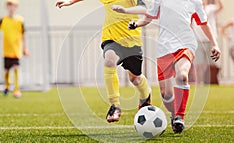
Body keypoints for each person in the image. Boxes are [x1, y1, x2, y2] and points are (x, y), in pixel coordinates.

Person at [112, 0, 221, 133]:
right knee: (166, 94)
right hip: (164, 47)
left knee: (182, 76)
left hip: (186, 43)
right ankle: (174, 113)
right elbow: (149, 17)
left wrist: (215, 44)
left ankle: (179, 117)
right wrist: (137, 24)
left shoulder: (195, 1)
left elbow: (204, 23)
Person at [55, 0, 152, 123]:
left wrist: (133, 17)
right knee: (109, 61)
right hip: (111, 38)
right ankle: (115, 106)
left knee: (135, 78)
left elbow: (143, 8)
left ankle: (146, 95)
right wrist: (69, 2)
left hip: (132, 40)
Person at [0, 0, 28, 98]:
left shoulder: (20, 20)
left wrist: (25, 48)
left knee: (16, 68)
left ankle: (16, 90)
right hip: (6, 49)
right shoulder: (3, 19)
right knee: (7, 70)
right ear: (6, 7)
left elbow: (23, 34)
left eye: (13, 6)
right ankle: (7, 86)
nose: (11, 8)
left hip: (16, 49)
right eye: (9, 6)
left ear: (16, 7)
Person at [193, 0, 223, 84]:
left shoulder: (210, 9)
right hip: (198, 40)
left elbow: (221, 7)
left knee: (212, 63)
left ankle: (212, 81)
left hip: (210, 41)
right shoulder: (193, 9)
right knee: (198, 64)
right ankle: (199, 82)